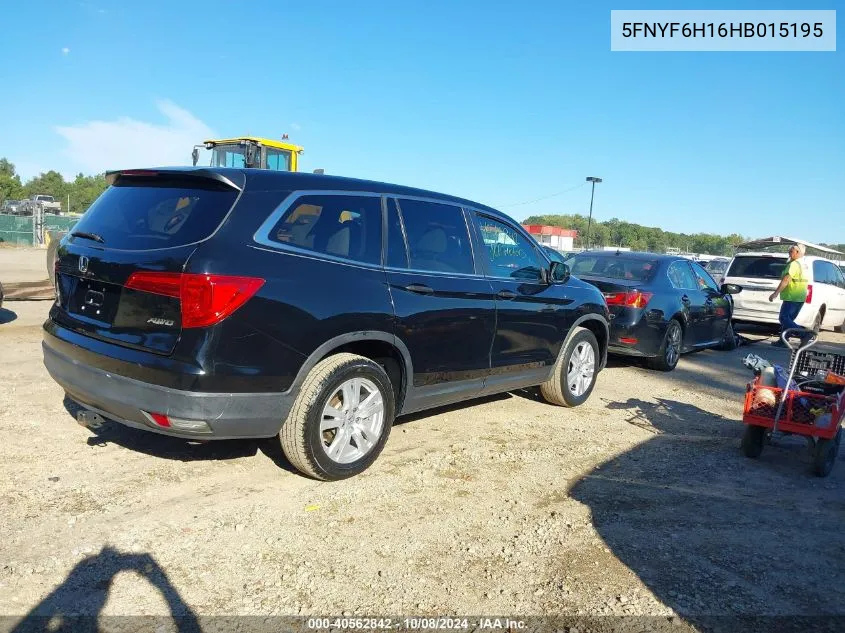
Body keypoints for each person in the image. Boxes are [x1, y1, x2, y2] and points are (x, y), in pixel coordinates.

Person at [768, 244, 809, 346]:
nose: (789, 254)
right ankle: (783, 341)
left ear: (797, 252)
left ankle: (804, 334)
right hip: (799, 297)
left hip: (792, 296)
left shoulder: (794, 264)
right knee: (788, 320)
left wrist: (775, 293)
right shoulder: (803, 264)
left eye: (791, 252)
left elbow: (786, 280)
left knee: (784, 318)